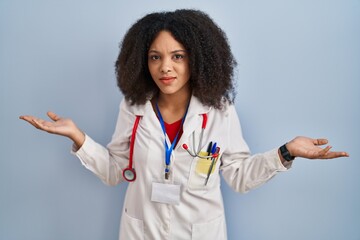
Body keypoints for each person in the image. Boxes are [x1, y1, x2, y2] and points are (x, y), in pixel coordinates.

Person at [20, 9, 349, 240]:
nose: (166, 67)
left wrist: (285, 152)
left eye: (178, 56)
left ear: (198, 58)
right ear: (141, 60)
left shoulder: (219, 111)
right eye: (155, 56)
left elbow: (238, 177)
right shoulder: (132, 108)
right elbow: (114, 171)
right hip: (141, 232)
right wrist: (78, 137)